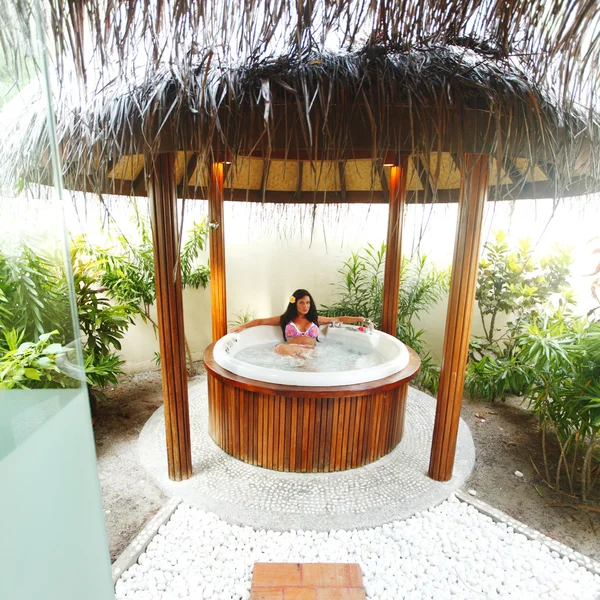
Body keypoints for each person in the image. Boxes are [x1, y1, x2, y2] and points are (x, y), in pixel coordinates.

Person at [229, 288, 366, 356]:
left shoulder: (315, 319)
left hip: (311, 352)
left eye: (307, 303)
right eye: (301, 303)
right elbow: (260, 322)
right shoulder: (285, 319)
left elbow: (339, 319)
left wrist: (360, 319)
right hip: (290, 351)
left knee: (301, 356)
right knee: (279, 348)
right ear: (294, 304)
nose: (305, 306)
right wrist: (243, 326)